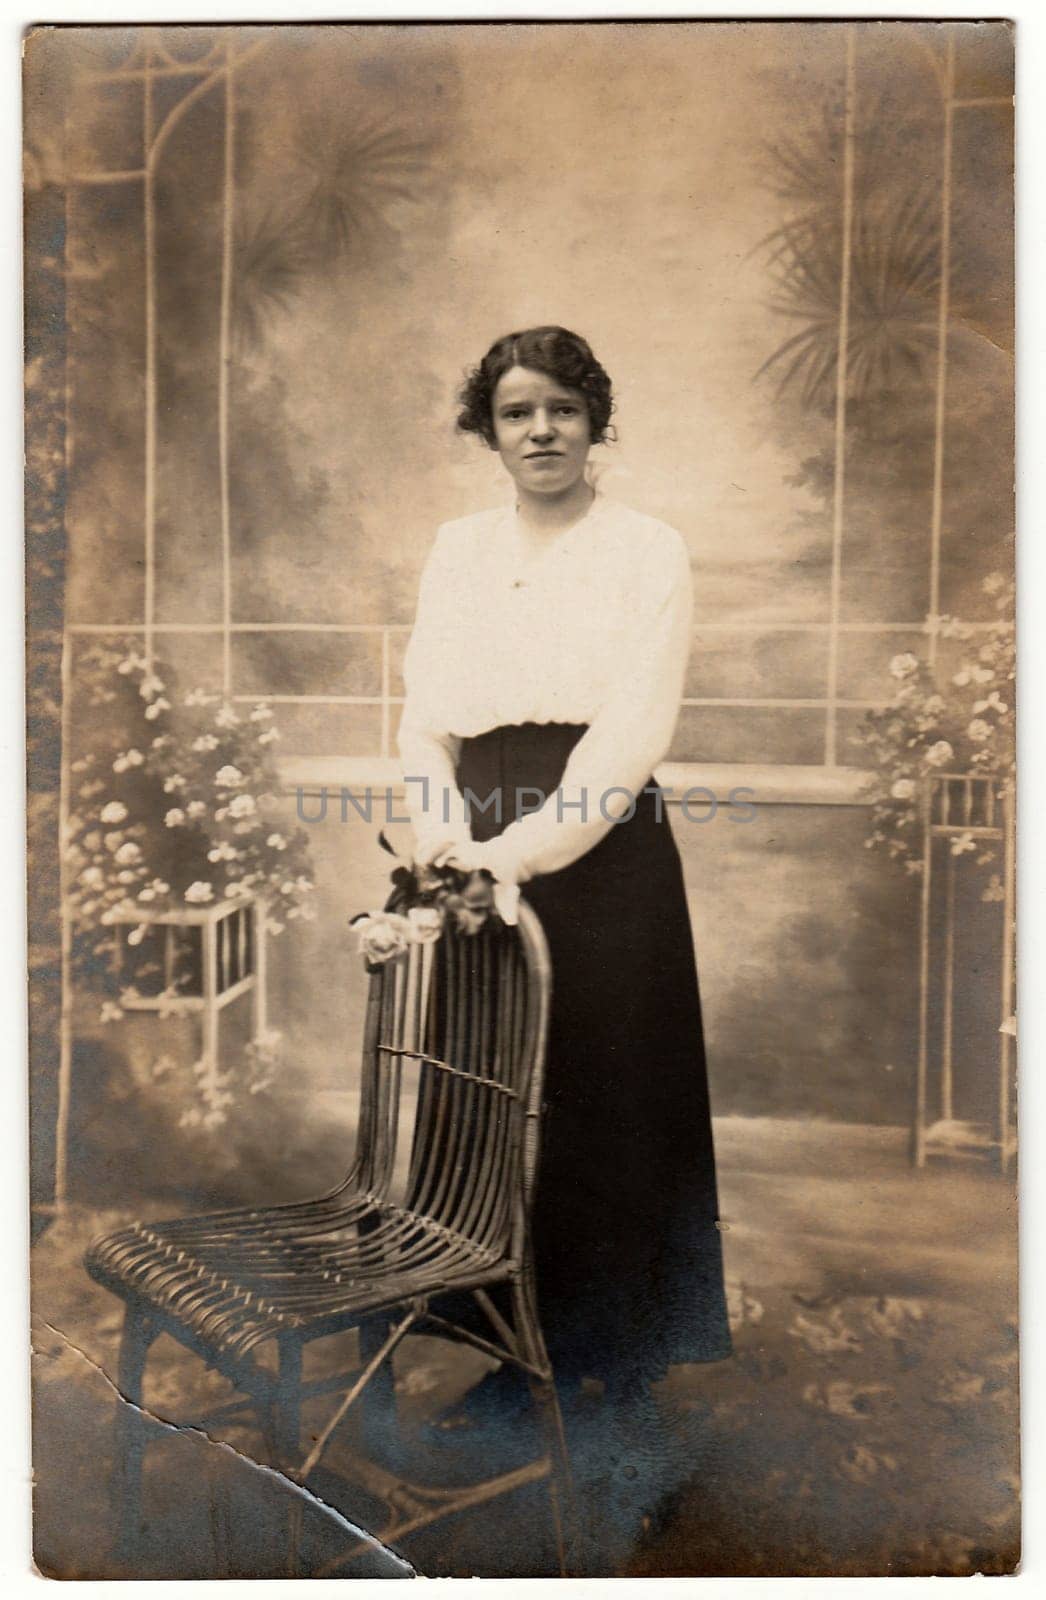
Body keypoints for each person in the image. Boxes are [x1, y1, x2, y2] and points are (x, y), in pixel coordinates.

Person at [396, 325, 732, 1545]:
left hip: (598, 851)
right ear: (485, 430)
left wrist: (510, 856)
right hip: (472, 838)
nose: (539, 431)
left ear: (596, 422)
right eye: (514, 411)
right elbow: (424, 717)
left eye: (561, 410)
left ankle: (621, 1380)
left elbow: (628, 734)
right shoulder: (456, 550)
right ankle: (514, 1360)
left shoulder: (647, 551)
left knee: (606, 1096)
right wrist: (442, 843)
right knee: (489, 1103)